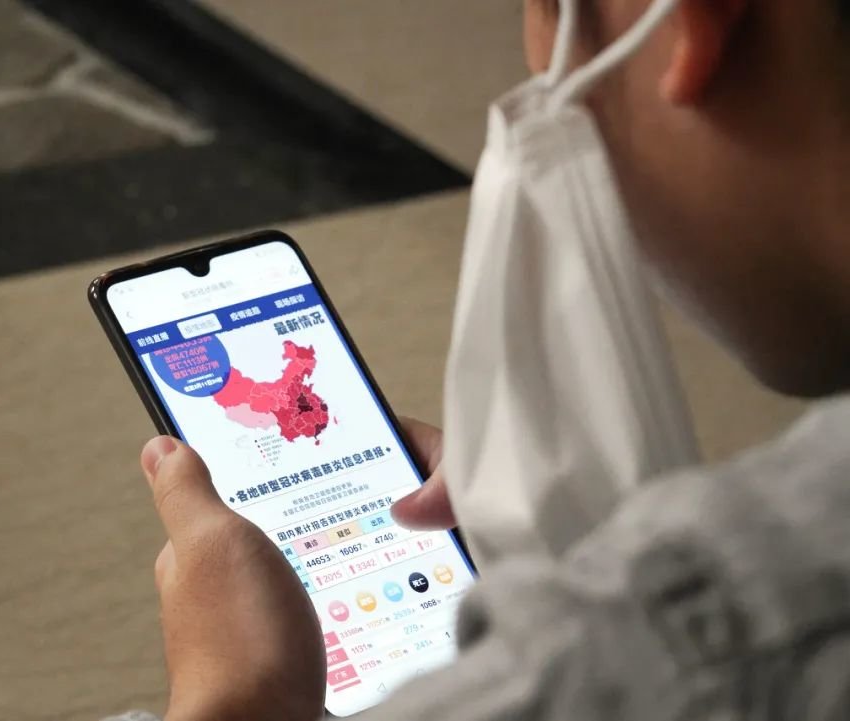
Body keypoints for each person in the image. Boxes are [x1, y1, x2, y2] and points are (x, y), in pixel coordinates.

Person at [132, 0, 850, 718]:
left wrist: (240, 697)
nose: (540, 64)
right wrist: (569, 554)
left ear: (692, 25)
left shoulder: (698, 634)